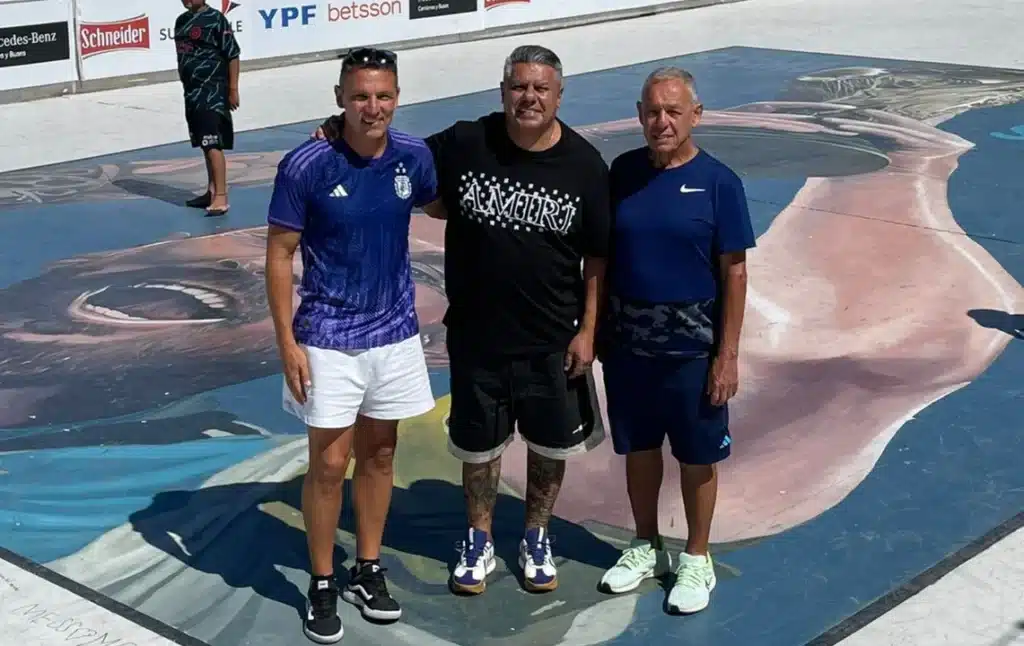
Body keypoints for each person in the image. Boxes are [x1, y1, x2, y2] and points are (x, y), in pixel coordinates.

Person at [314, 44, 611, 595]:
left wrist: (589, 330)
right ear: (502, 91)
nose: (528, 97)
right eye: (518, 86)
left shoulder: (585, 165)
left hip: (552, 337)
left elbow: (597, 257)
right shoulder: (467, 141)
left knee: (549, 447)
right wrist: (341, 127)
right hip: (477, 333)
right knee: (478, 448)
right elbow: (392, 153)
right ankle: (479, 538)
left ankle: (536, 534)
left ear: (559, 95)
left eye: (540, 88)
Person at [266, 47, 441, 643]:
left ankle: (367, 568)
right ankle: (321, 580)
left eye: (383, 96)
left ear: (398, 98)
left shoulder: (414, 156)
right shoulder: (306, 164)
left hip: (395, 334)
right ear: (340, 98)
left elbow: (440, 201)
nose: (373, 107)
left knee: (381, 454)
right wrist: (286, 342)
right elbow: (279, 255)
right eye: (361, 96)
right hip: (327, 338)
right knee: (328, 464)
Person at [595, 67, 755, 615]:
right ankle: (646, 545)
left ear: (696, 115)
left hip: (693, 353)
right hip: (628, 350)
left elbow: (735, 272)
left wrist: (726, 357)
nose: (662, 122)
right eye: (652, 112)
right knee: (639, 452)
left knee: (696, 457)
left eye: (673, 111)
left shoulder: (719, 183)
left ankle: (696, 556)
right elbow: (603, 255)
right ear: (639, 115)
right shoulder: (622, 172)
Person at [175, 0, 240, 216]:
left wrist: (233, 89)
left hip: (213, 92)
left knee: (213, 143)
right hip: (192, 93)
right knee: (204, 143)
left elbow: (232, 54)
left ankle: (221, 196)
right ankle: (211, 191)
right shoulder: (181, 22)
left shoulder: (216, 19)